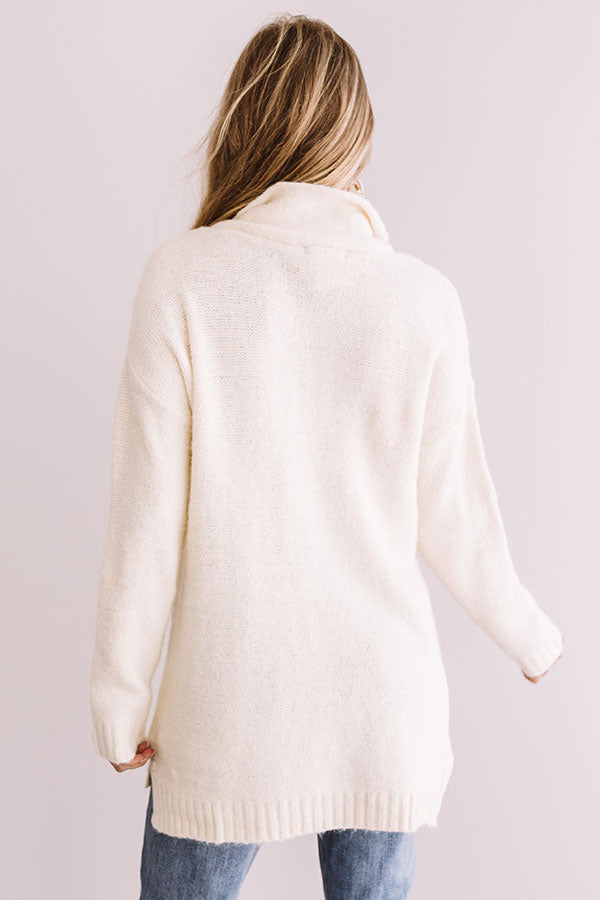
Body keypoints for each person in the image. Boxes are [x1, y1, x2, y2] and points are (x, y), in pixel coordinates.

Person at [89, 13, 564, 900]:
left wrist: (119, 701)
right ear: (355, 137)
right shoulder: (421, 298)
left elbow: (145, 519)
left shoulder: (182, 278)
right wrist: (530, 635)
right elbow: (455, 509)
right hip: (383, 705)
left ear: (243, 123)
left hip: (228, 709)